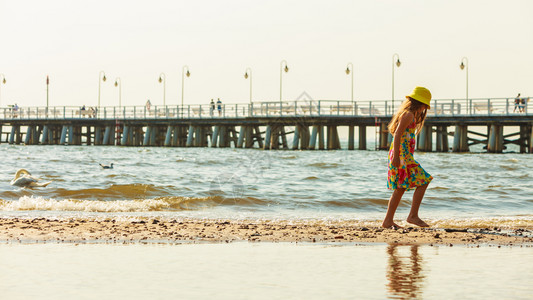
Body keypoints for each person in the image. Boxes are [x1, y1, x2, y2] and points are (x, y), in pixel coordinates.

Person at [382, 86, 433, 229]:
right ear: (420, 104)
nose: (424, 110)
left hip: (404, 155)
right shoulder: (409, 115)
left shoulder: (409, 114)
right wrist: (397, 157)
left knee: (400, 188)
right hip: (401, 155)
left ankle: (389, 221)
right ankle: (412, 216)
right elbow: (397, 134)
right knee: (424, 180)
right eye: (424, 106)